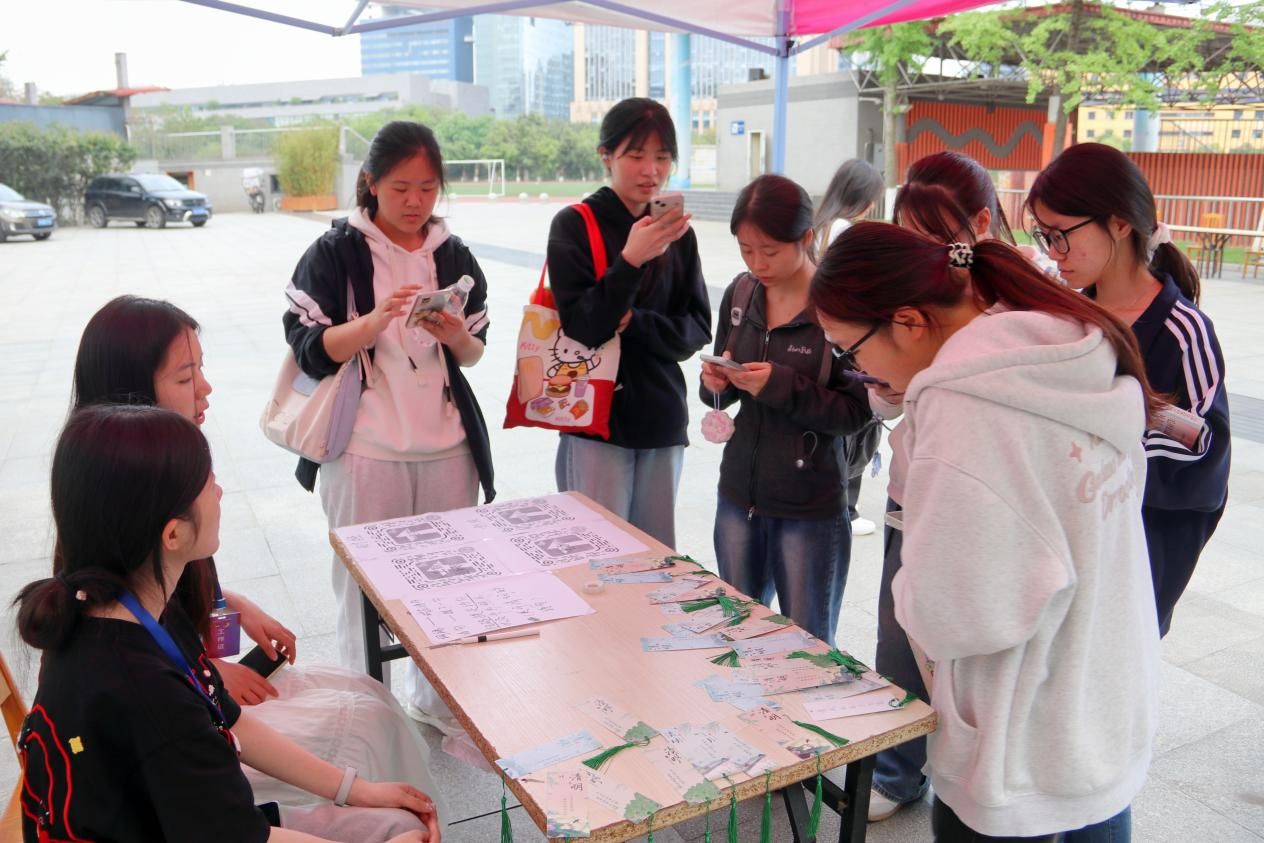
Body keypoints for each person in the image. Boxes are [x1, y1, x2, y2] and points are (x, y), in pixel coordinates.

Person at [812, 223, 1160, 841]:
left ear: (908, 321)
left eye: (850, 350)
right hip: (1100, 706)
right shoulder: (1061, 349)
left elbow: (958, 614)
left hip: (1022, 744)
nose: (857, 370)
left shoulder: (965, 407)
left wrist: (909, 591)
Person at [70, 294, 440, 809]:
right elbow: (133, 651)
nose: (205, 387)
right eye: (186, 377)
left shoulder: (138, 472)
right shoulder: (125, 497)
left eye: (201, 369)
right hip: (182, 720)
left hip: (192, 690)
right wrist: (207, 675)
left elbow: (151, 599)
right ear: (131, 391)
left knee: (369, 697)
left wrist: (229, 606)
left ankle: (395, 810)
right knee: (366, 727)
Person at [16, 404, 439, 843]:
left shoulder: (124, 609)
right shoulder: (148, 694)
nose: (219, 492)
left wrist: (355, 790)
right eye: (207, 482)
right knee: (400, 824)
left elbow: (228, 719)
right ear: (173, 534)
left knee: (395, 819)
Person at [283, 121, 494, 729]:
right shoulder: (335, 253)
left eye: (427, 188)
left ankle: (437, 701)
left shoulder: (453, 254)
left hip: (448, 446)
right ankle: (369, 709)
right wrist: (374, 322)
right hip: (364, 447)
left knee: (448, 580)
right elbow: (310, 350)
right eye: (401, 188)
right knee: (362, 588)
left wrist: (454, 335)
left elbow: (474, 352)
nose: (414, 202)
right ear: (371, 183)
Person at [865, 150, 1020, 822]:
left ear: (980, 223)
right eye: (909, 236)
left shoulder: (1015, 309)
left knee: (967, 651)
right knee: (900, 636)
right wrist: (889, 385)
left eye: (932, 236)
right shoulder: (914, 292)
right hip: (914, 491)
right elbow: (883, 398)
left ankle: (966, 770)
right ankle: (899, 769)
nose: (921, 253)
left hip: (977, 505)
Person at [1027, 142, 1230, 638]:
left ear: (1119, 223)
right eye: (1043, 236)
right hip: (1060, 551)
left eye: (1061, 235)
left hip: (1134, 555)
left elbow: (1205, 454)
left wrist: (1102, 461)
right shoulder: (1066, 317)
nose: (1053, 252)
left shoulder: (1183, 331)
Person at [699, 174, 870, 645]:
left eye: (770, 251)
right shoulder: (741, 294)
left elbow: (855, 413)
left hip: (808, 508)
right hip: (738, 496)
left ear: (806, 238)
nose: (757, 264)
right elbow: (722, 387)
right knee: (736, 638)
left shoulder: (838, 306)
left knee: (807, 649)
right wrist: (716, 384)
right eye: (746, 250)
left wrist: (779, 385)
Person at [547, 97, 711, 547]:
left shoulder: (679, 234)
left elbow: (697, 328)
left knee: (656, 555)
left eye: (662, 157)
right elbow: (582, 328)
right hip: (594, 418)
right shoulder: (574, 224)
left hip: (660, 417)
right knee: (597, 553)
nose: (651, 170)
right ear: (606, 155)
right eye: (636, 155)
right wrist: (630, 262)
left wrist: (635, 322)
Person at [812, 158, 886, 538]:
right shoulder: (846, 231)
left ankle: (839, 503)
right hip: (848, 340)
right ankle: (848, 510)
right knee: (856, 421)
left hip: (821, 338)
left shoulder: (819, 227)